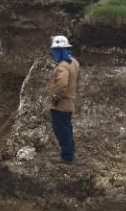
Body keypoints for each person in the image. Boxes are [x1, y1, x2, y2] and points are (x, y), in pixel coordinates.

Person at [49, 35, 80, 164]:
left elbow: (61, 84)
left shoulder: (62, 66)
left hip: (61, 104)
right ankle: (70, 151)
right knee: (67, 127)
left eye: (55, 51)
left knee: (61, 130)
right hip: (70, 102)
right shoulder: (74, 62)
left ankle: (66, 157)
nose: (53, 53)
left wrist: (55, 98)